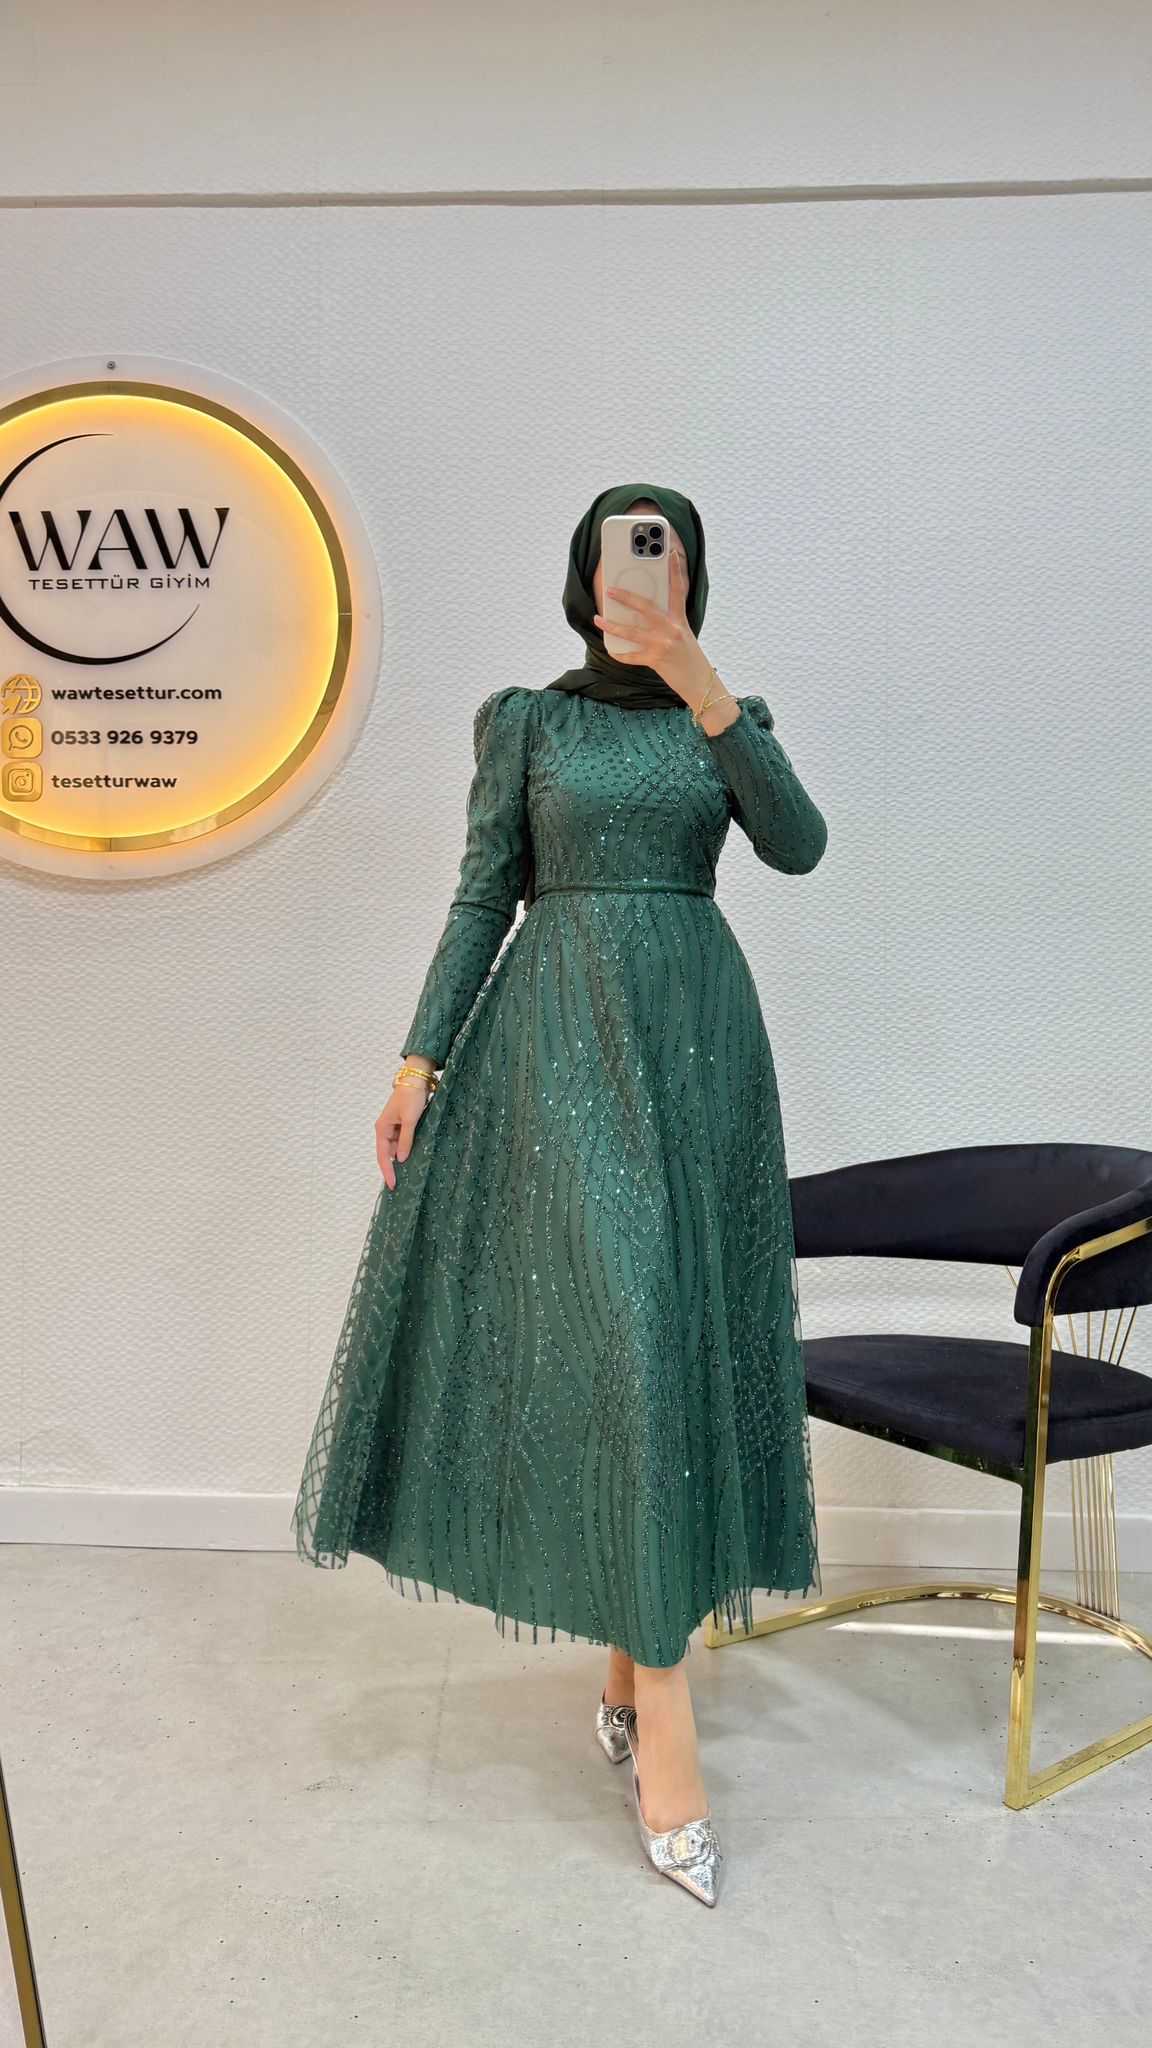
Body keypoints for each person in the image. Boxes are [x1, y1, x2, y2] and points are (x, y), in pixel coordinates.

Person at [292, 483, 829, 1907]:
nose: (637, 578)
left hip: (699, 1053)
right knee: (629, 1342)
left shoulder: (727, 719)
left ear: (691, 580)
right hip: (559, 1050)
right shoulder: (528, 723)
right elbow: (486, 893)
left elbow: (799, 845)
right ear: (583, 578)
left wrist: (702, 682)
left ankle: (628, 1664)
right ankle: (666, 1722)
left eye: (664, 558)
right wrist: (417, 1059)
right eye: (617, 556)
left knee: (671, 1344)